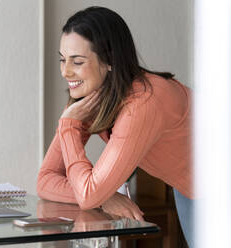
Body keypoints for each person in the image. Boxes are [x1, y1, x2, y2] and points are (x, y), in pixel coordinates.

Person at [36, 6, 193, 247]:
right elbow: (45, 180)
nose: (65, 72)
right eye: (62, 59)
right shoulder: (90, 100)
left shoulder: (145, 101)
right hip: (191, 188)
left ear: (109, 59)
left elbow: (88, 194)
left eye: (77, 61)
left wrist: (68, 126)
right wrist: (105, 197)